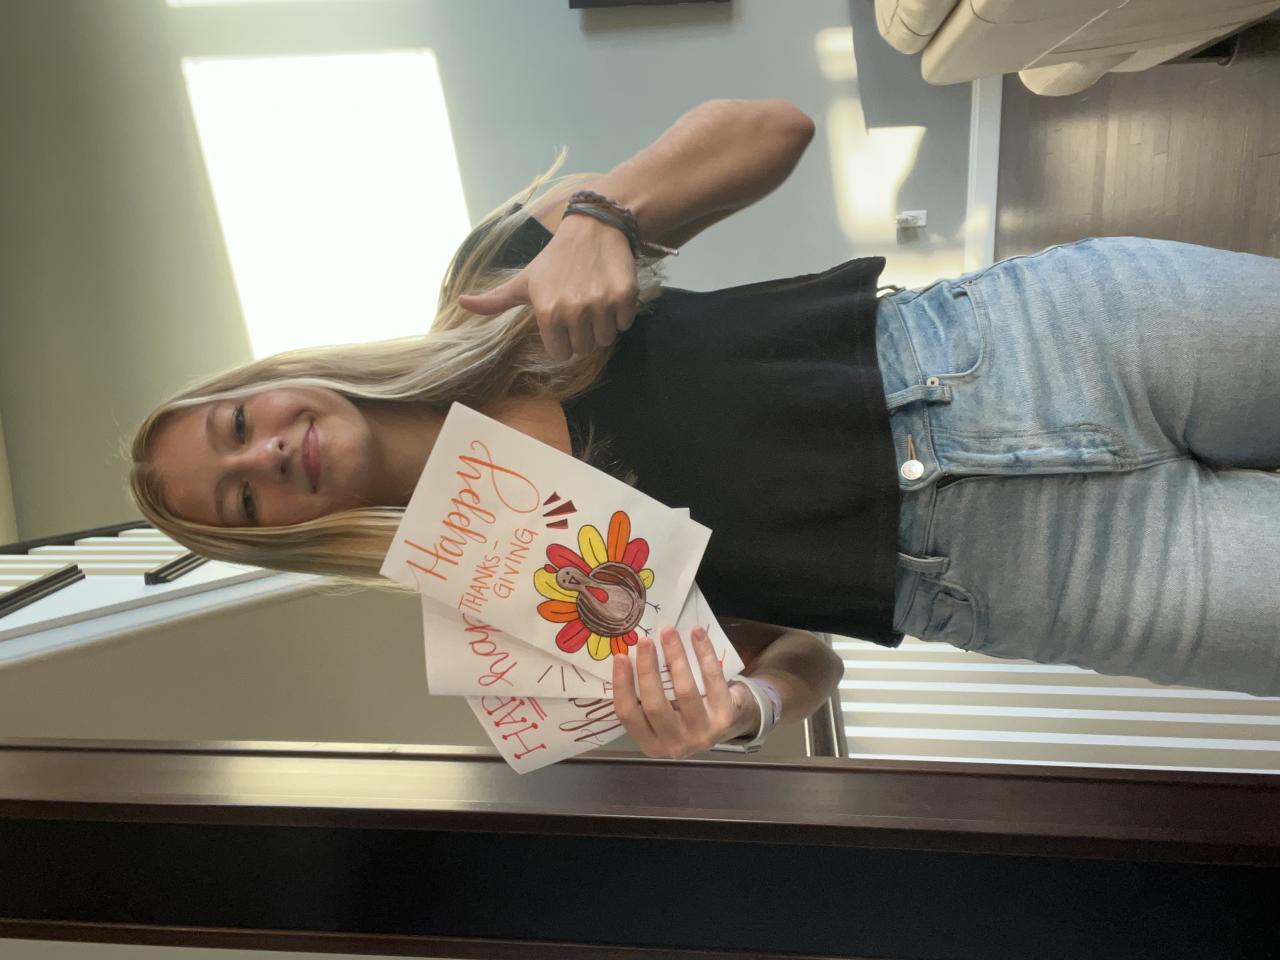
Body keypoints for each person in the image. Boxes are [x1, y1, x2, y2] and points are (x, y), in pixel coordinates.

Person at [130, 99, 1280, 761]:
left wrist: (602, 217)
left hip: (1060, 341)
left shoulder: (497, 288)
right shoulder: (501, 609)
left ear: (268, 382)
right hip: (1062, 582)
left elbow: (775, 130)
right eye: (242, 497)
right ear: (276, 533)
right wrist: (741, 710)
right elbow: (803, 658)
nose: (264, 455)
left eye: (236, 424)